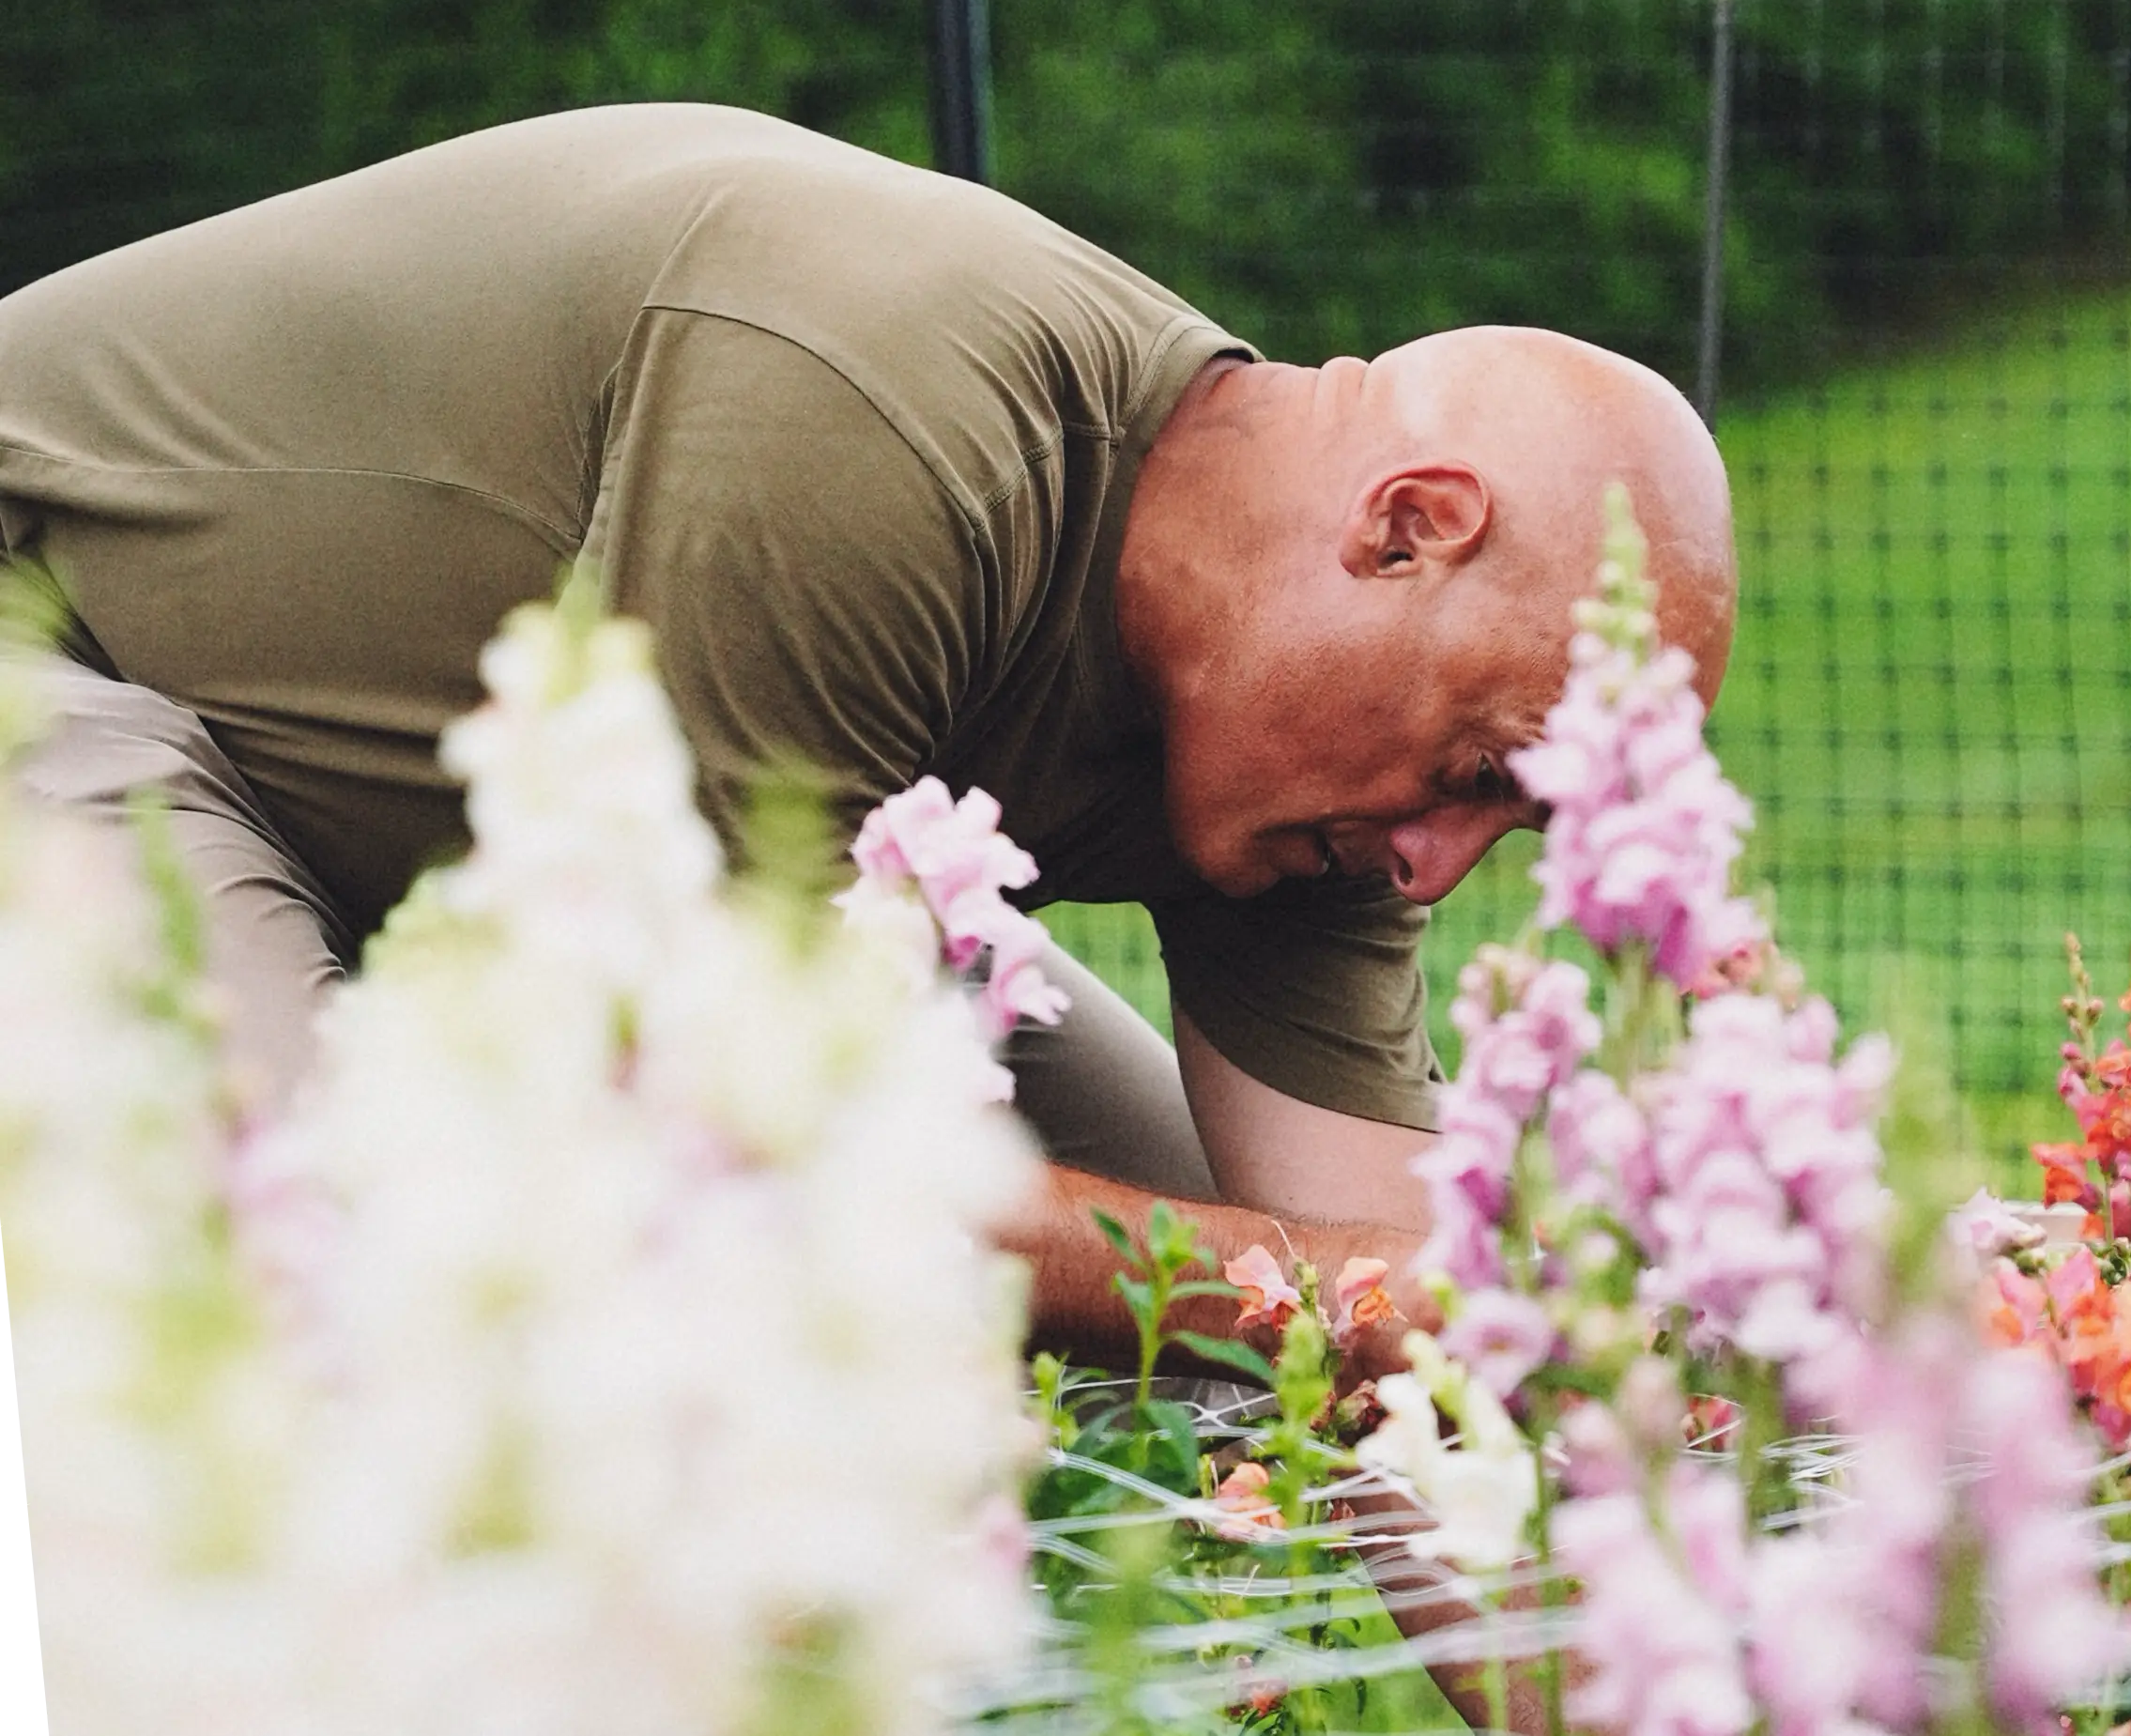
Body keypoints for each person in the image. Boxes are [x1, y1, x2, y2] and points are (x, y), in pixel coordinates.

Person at [0, 101, 1735, 1385]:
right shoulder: (885, 420)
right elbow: (717, 1130)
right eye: (1480, 770)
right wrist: (1315, 1288)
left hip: (459, 851)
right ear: (1404, 528)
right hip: (56, 660)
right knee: (353, 1284)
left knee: (1221, 1290)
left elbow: (1403, 1326)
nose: (1443, 864)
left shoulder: (1322, 804)